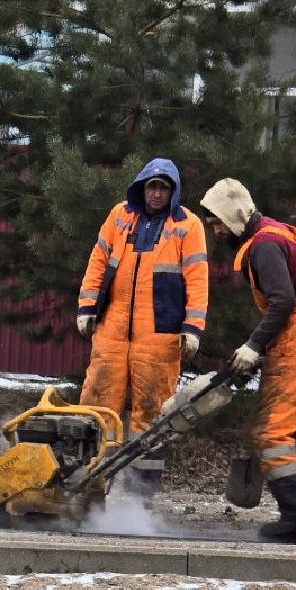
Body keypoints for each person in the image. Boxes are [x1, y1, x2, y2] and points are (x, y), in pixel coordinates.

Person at [199, 177, 296, 544]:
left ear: (235, 214)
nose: (216, 231)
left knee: (271, 432)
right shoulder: (279, 233)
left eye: (218, 222)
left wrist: (254, 345)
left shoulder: (264, 245)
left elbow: (283, 300)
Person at [76, 158, 208, 493]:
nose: (157, 194)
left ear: (173, 191)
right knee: (97, 404)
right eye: (152, 186)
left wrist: (193, 328)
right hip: (112, 328)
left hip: (159, 335)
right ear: (141, 187)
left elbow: (197, 279)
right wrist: (87, 307)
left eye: (164, 188)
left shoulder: (188, 225)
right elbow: (98, 261)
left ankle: (140, 498)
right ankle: (87, 486)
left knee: (152, 413)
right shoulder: (120, 216)